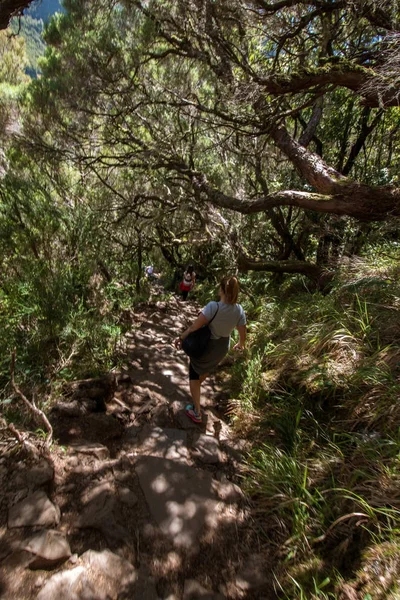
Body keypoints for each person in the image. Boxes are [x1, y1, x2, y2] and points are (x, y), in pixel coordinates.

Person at [174, 275, 246, 423]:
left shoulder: (214, 306)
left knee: (194, 373)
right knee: (206, 369)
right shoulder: (239, 310)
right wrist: (240, 344)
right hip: (222, 348)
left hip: (207, 344)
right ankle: (196, 392)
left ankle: (197, 413)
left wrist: (181, 337)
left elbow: (195, 327)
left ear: (221, 290)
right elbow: (242, 331)